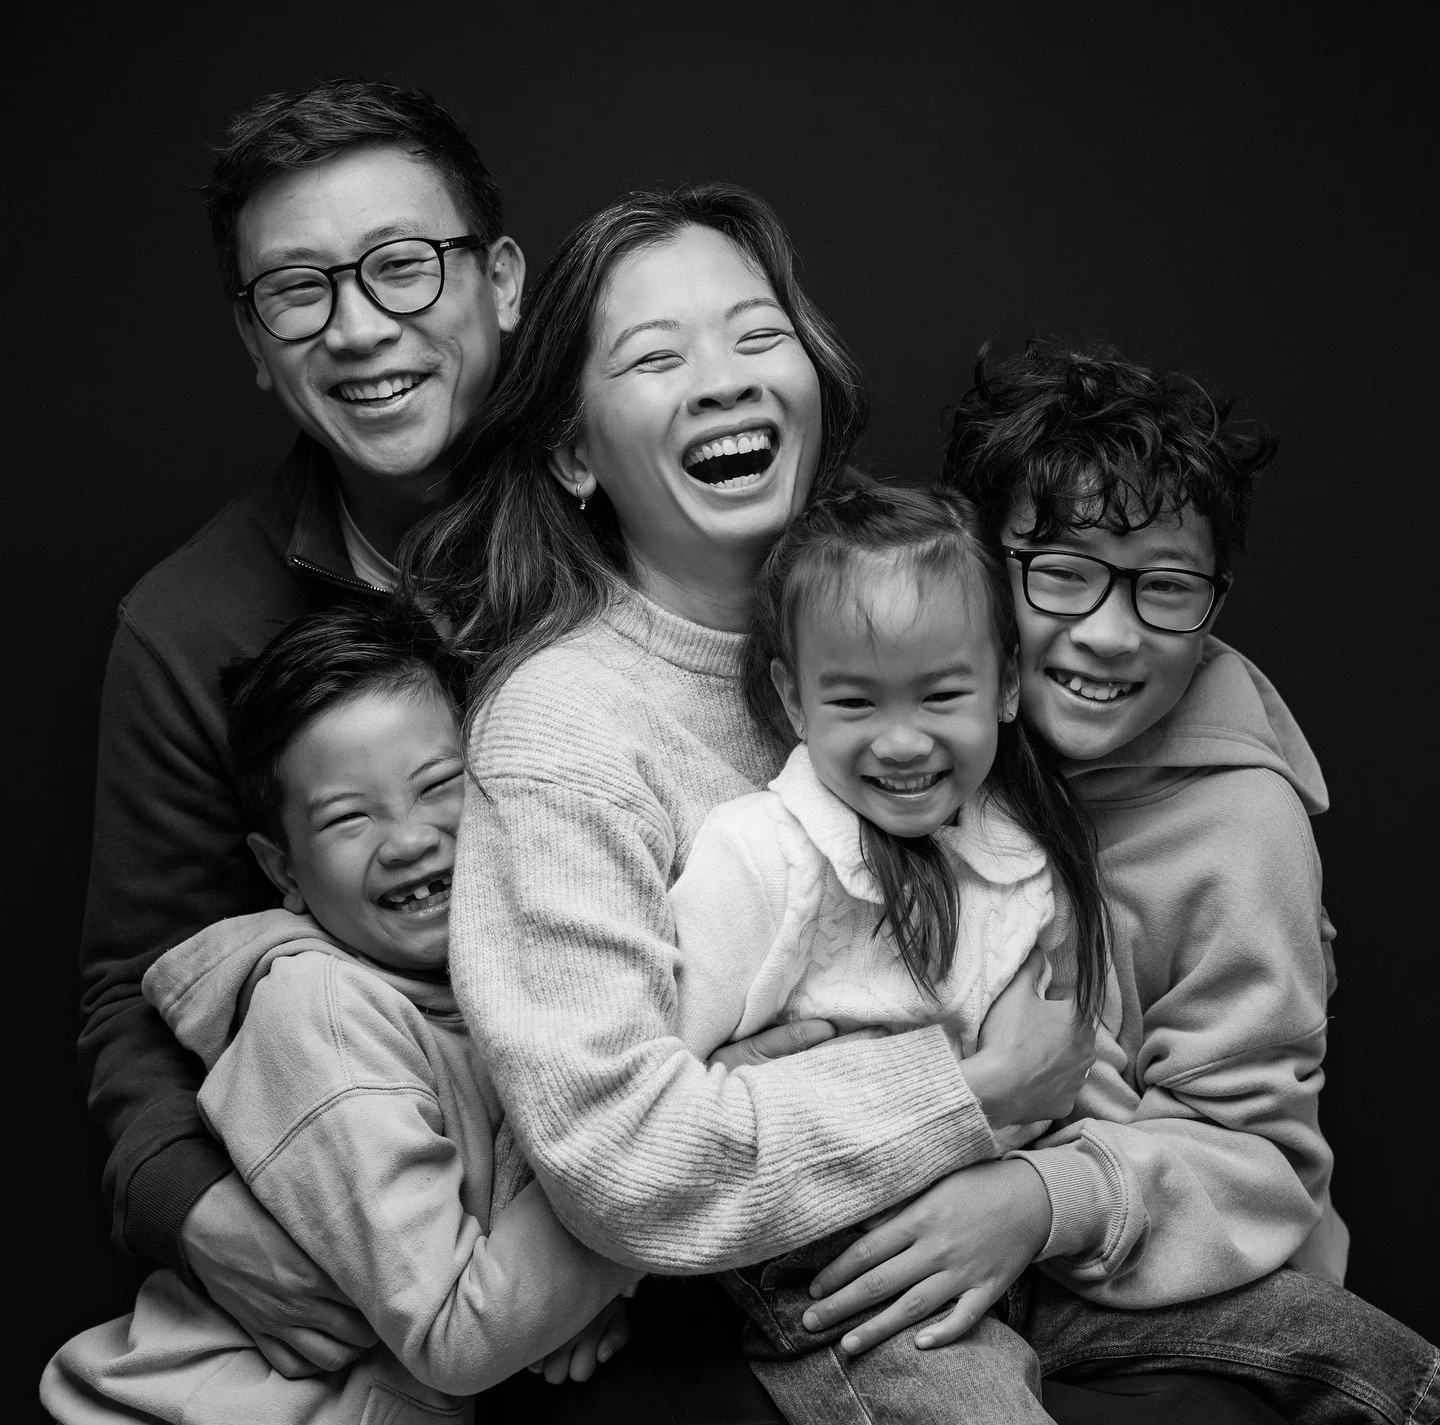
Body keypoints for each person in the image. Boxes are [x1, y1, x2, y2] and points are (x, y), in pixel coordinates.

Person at [405, 182, 1099, 1421]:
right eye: (656, 357)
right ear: (572, 451)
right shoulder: (563, 726)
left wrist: (1051, 1179)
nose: (722, 379)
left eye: (757, 334)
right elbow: (626, 1160)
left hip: (1016, 1239)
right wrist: (976, 1091)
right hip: (770, 1333)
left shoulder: (913, 607)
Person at [791, 340, 1439, 1422]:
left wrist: (1036, 1201)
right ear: (980, 565)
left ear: (1215, 603)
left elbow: (1261, 1162)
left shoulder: (1243, 826)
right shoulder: (918, 734)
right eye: (1061, 571)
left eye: (1167, 587)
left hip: (1160, 1282)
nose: (1109, 631)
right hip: (914, 1235)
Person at [77, 77, 525, 1378]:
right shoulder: (188, 625)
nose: (359, 327)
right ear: (254, 340)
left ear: (499, 279)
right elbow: (137, 981)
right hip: (387, 1235)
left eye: (401, 265)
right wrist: (192, 1210)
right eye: (299, 291)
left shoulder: (628, 530)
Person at [45, 603, 637, 1423]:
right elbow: (458, 1333)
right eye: (348, 817)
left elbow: (503, 1265)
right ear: (282, 870)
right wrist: (647, 1203)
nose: (407, 840)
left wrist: (567, 1303)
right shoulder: (319, 1019)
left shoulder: (514, 986)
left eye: (439, 786)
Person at [670, 478, 1129, 1420]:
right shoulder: (762, 854)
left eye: (941, 694)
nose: (903, 741)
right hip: (837, 1267)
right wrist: (592, 1277)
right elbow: (642, 1093)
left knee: (1344, 1344)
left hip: (1002, 1228)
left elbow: (1060, 1065)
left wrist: (1060, 1191)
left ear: (1004, 686)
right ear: (794, 700)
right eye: (855, 702)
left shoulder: (1020, 854)